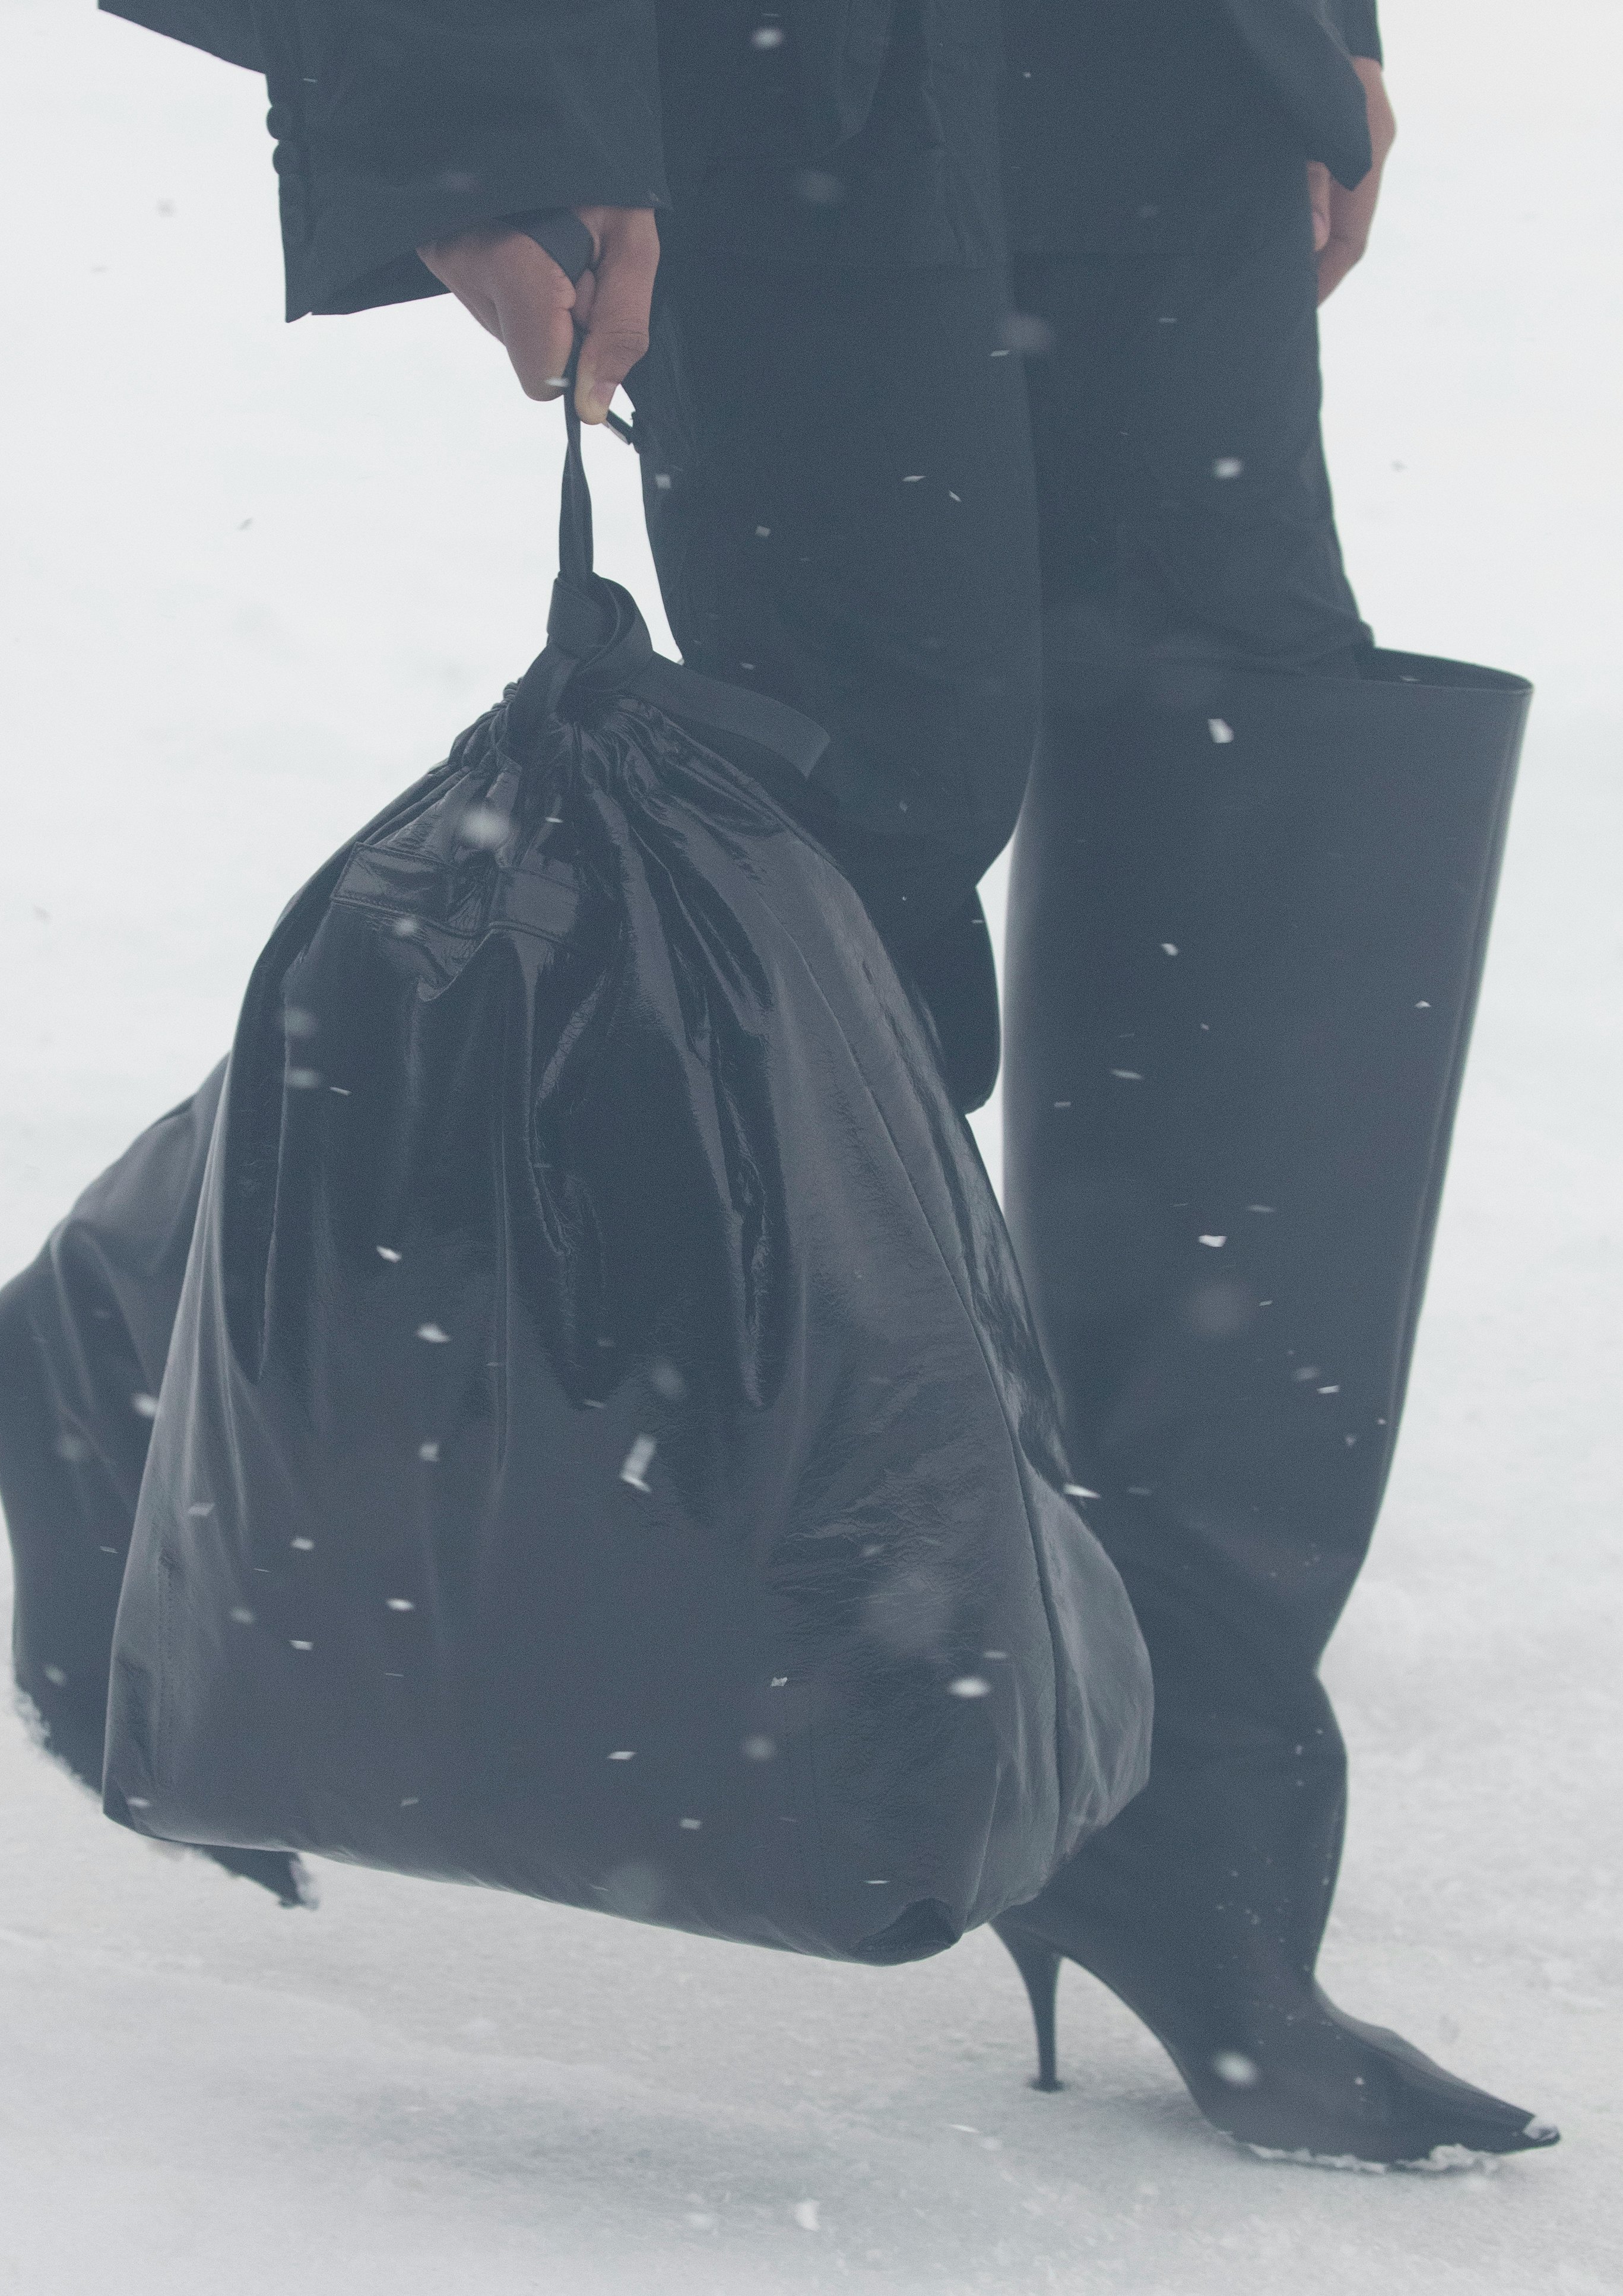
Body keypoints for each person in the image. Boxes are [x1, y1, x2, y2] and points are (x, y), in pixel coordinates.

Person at [97, 0, 1556, 2164]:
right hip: (766, 54)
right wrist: (492, 96)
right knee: (846, 832)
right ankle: (213, 1299)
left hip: (1148, 50)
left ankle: (1179, 1793)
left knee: (1238, 749)